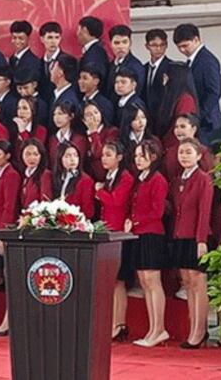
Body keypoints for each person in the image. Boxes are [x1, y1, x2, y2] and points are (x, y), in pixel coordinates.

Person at [170, 138, 214, 349]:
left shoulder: (203, 179)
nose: (184, 156)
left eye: (188, 152)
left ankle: (200, 330)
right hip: (181, 235)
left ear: (198, 155)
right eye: (181, 152)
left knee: (198, 282)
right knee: (187, 282)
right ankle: (193, 328)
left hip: (196, 237)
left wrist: (201, 239)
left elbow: (204, 211)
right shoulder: (179, 180)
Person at [126, 140, 169, 348]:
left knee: (153, 281)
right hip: (138, 233)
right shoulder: (140, 179)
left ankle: (159, 328)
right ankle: (153, 329)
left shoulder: (158, 180)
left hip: (152, 234)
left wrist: (135, 221)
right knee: (144, 281)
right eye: (136, 156)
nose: (138, 160)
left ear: (153, 157)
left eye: (142, 156)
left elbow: (157, 211)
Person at [94, 140, 134, 341]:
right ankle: (112, 322)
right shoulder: (108, 178)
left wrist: (99, 192)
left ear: (119, 157)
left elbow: (117, 201)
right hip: (107, 232)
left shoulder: (125, 177)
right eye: (103, 155)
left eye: (109, 154)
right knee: (111, 281)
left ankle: (119, 323)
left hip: (119, 233)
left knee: (119, 281)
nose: (104, 158)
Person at [0, 140, 20, 336]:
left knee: (11, 276)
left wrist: (2, 233)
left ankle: (10, 319)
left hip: (8, 231)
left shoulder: (11, 175)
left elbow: (9, 207)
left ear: (8, 156)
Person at [173, 24, 221, 141]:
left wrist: (198, 116)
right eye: (179, 47)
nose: (182, 50)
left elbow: (215, 92)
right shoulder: (191, 61)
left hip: (206, 122)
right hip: (196, 120)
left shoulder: (207, 61)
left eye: (185, 46)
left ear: (196, 39)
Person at [155, 62, 198, 150]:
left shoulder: (186, 100)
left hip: (176, 146)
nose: (164, 80)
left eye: (166, 76)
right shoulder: (171, 96)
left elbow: (181, 125)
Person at [53, 142, 95, 219]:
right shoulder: (57, 177)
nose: (73, 159)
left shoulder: (86, 180)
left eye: (75, 156)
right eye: (68, 156)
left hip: (77, 223)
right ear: (60, 158)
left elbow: (88, 211)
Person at [106, 25, 147, 103]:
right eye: (117, 43)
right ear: (111, 44)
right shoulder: (111, 65)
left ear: (130, 43)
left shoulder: (136, 66)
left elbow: (137, 94)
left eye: (124, 42)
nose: (121, 47)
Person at [83, 100, 120, 182]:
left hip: (106, 177)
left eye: (96, 112)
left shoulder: (112, 132)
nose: (93, 117)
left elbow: (100, 154)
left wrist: (94, 132)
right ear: (84, 120)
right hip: (88, 179)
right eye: (89, 115)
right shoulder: (82, 136)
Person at [142, 29, 172, 115]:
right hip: (147, 117)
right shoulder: (144, 68)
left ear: (166, 45)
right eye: (154, 45)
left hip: (164, 116)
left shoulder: (172, 68)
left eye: (162, 45)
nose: (159, 49)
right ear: (147, 46)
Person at [77, 16, 110, 91]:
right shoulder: (96, 50)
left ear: (84, 30)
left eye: (78, 29)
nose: (77, 33)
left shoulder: (95, 54)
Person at [19, 139, 52, 208]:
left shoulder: (45, 175)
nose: (32, 158)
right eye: (28, 154)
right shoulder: (24, 175)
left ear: (41, 156)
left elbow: (45, 202)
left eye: (35, 154)